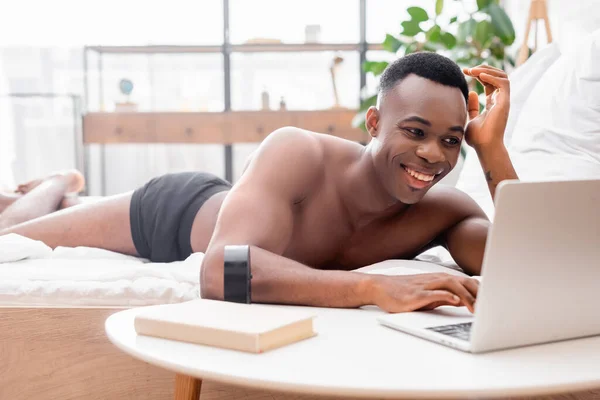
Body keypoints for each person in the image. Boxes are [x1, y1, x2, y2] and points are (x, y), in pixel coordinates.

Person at [0, 52, 518, 314]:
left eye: (451, 140)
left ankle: (64, 193)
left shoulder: (444, 212)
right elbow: (218, 270)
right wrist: (370, 287)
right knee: (16, 233)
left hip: (237, 206)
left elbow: (532, 265)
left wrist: (492, 149)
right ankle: (56, 183)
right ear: (374, 123)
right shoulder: (297, 150)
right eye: (415, 132)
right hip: (176, 213)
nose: (432, 155)